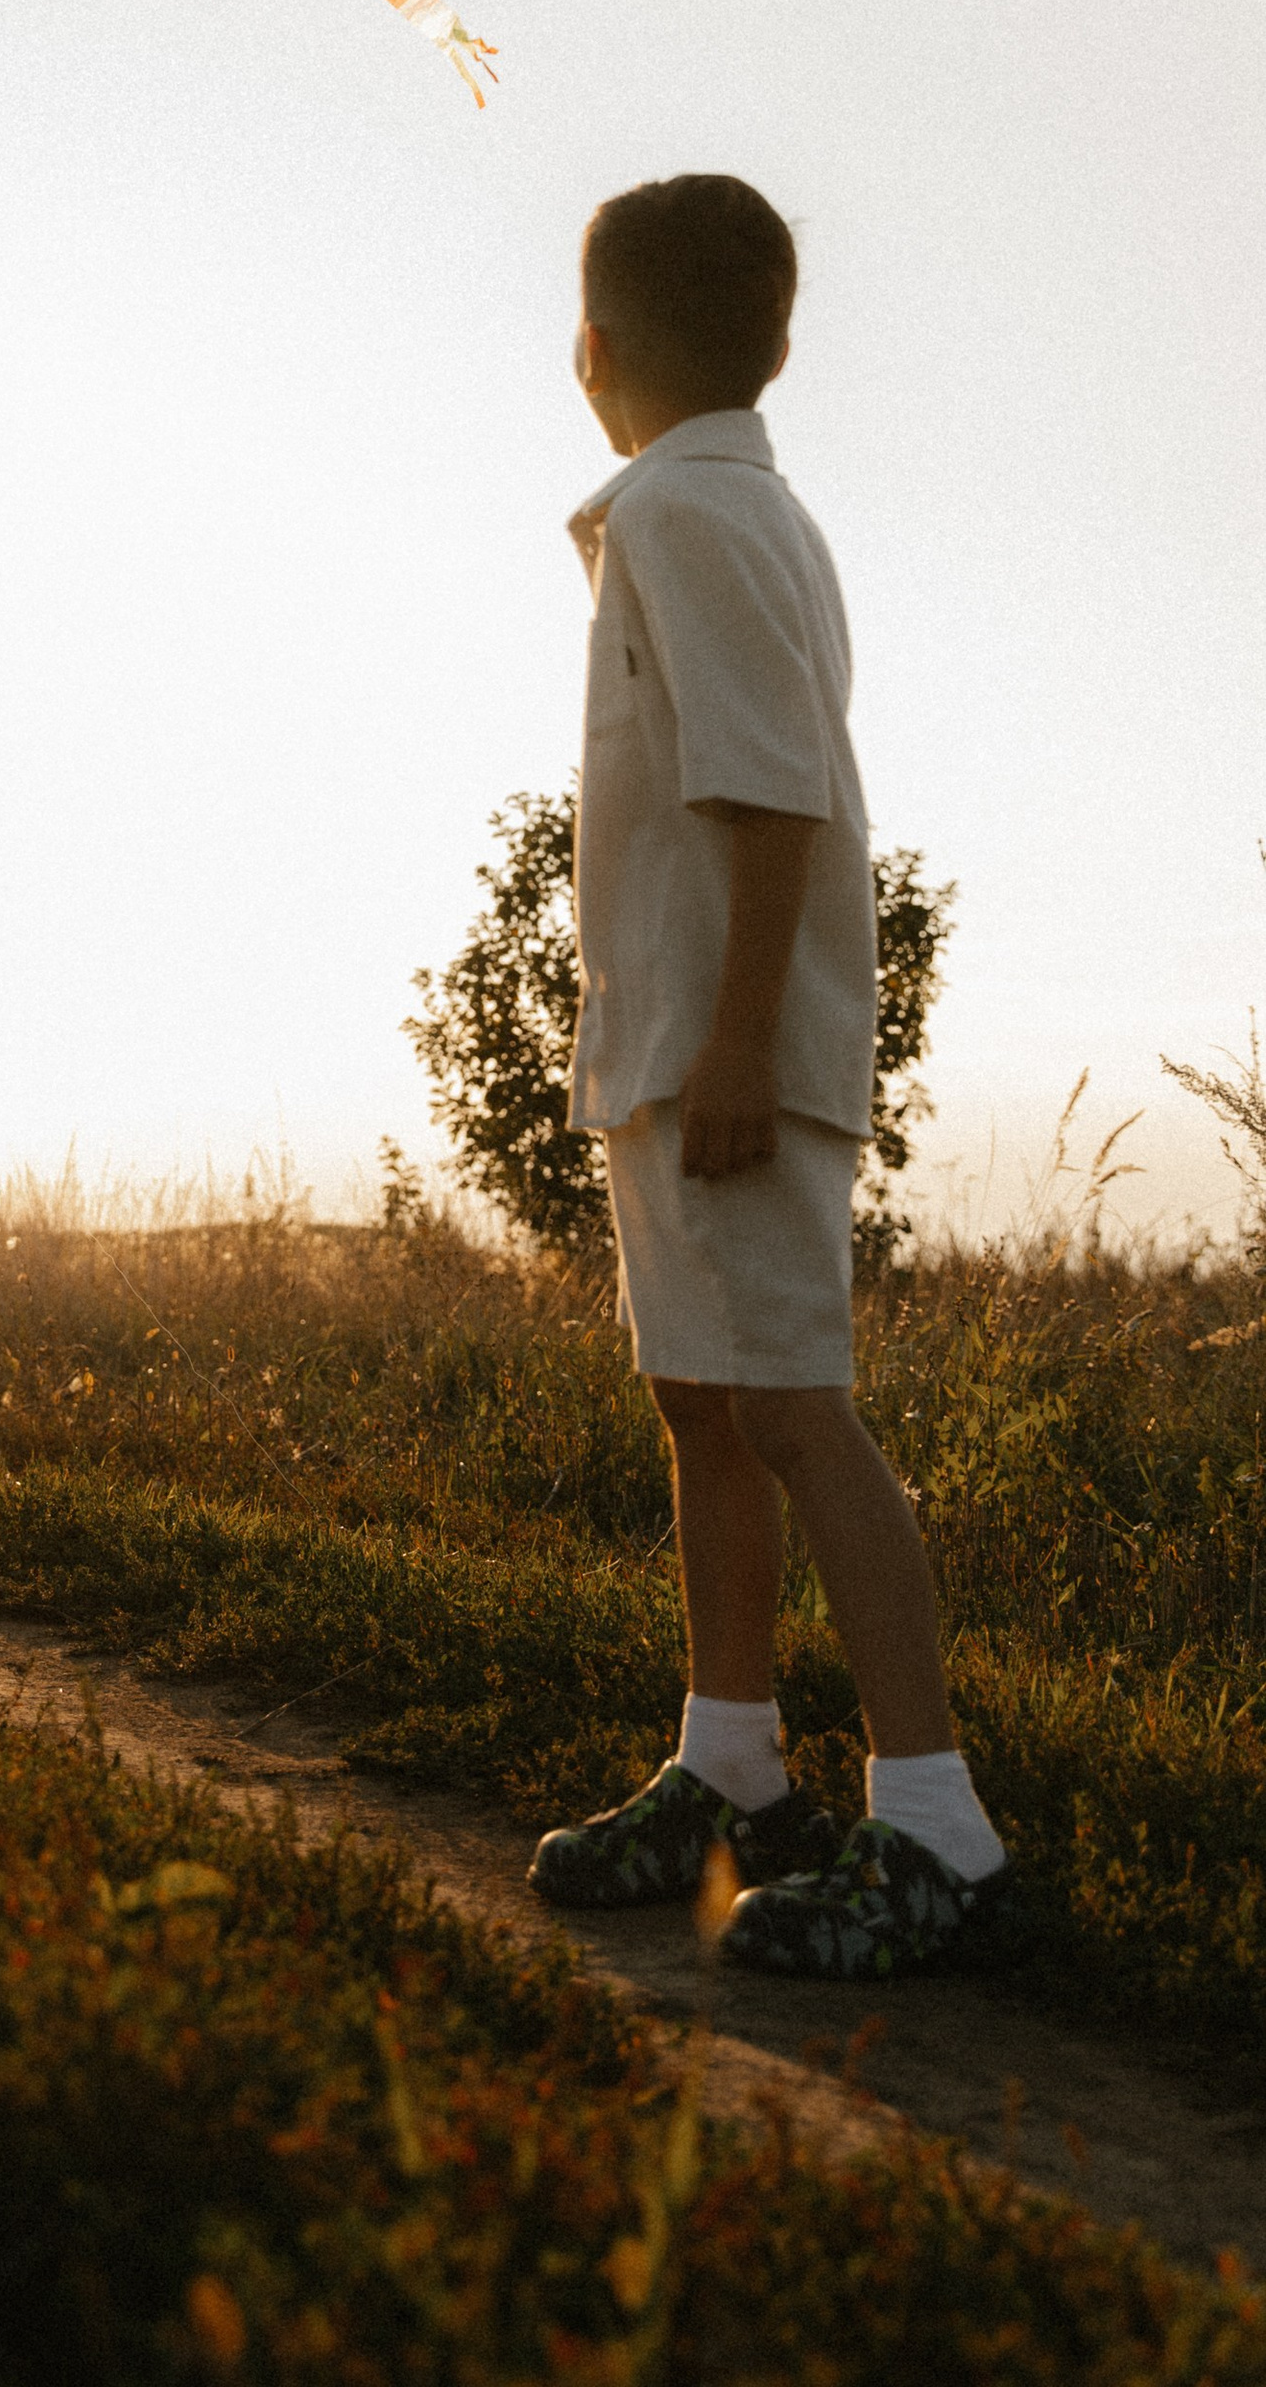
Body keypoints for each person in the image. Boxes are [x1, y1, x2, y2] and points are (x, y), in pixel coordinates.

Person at [527, 173, 1017, 1976]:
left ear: (592, 350)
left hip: (731, 1044)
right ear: (778, 343)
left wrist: (736, 1040)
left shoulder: (685, 509)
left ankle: (941, 1828)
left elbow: (768, 782)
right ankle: (730, 1765)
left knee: (799, 1408)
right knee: (705, 1402)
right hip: (678, 1038)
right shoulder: (718, 505)